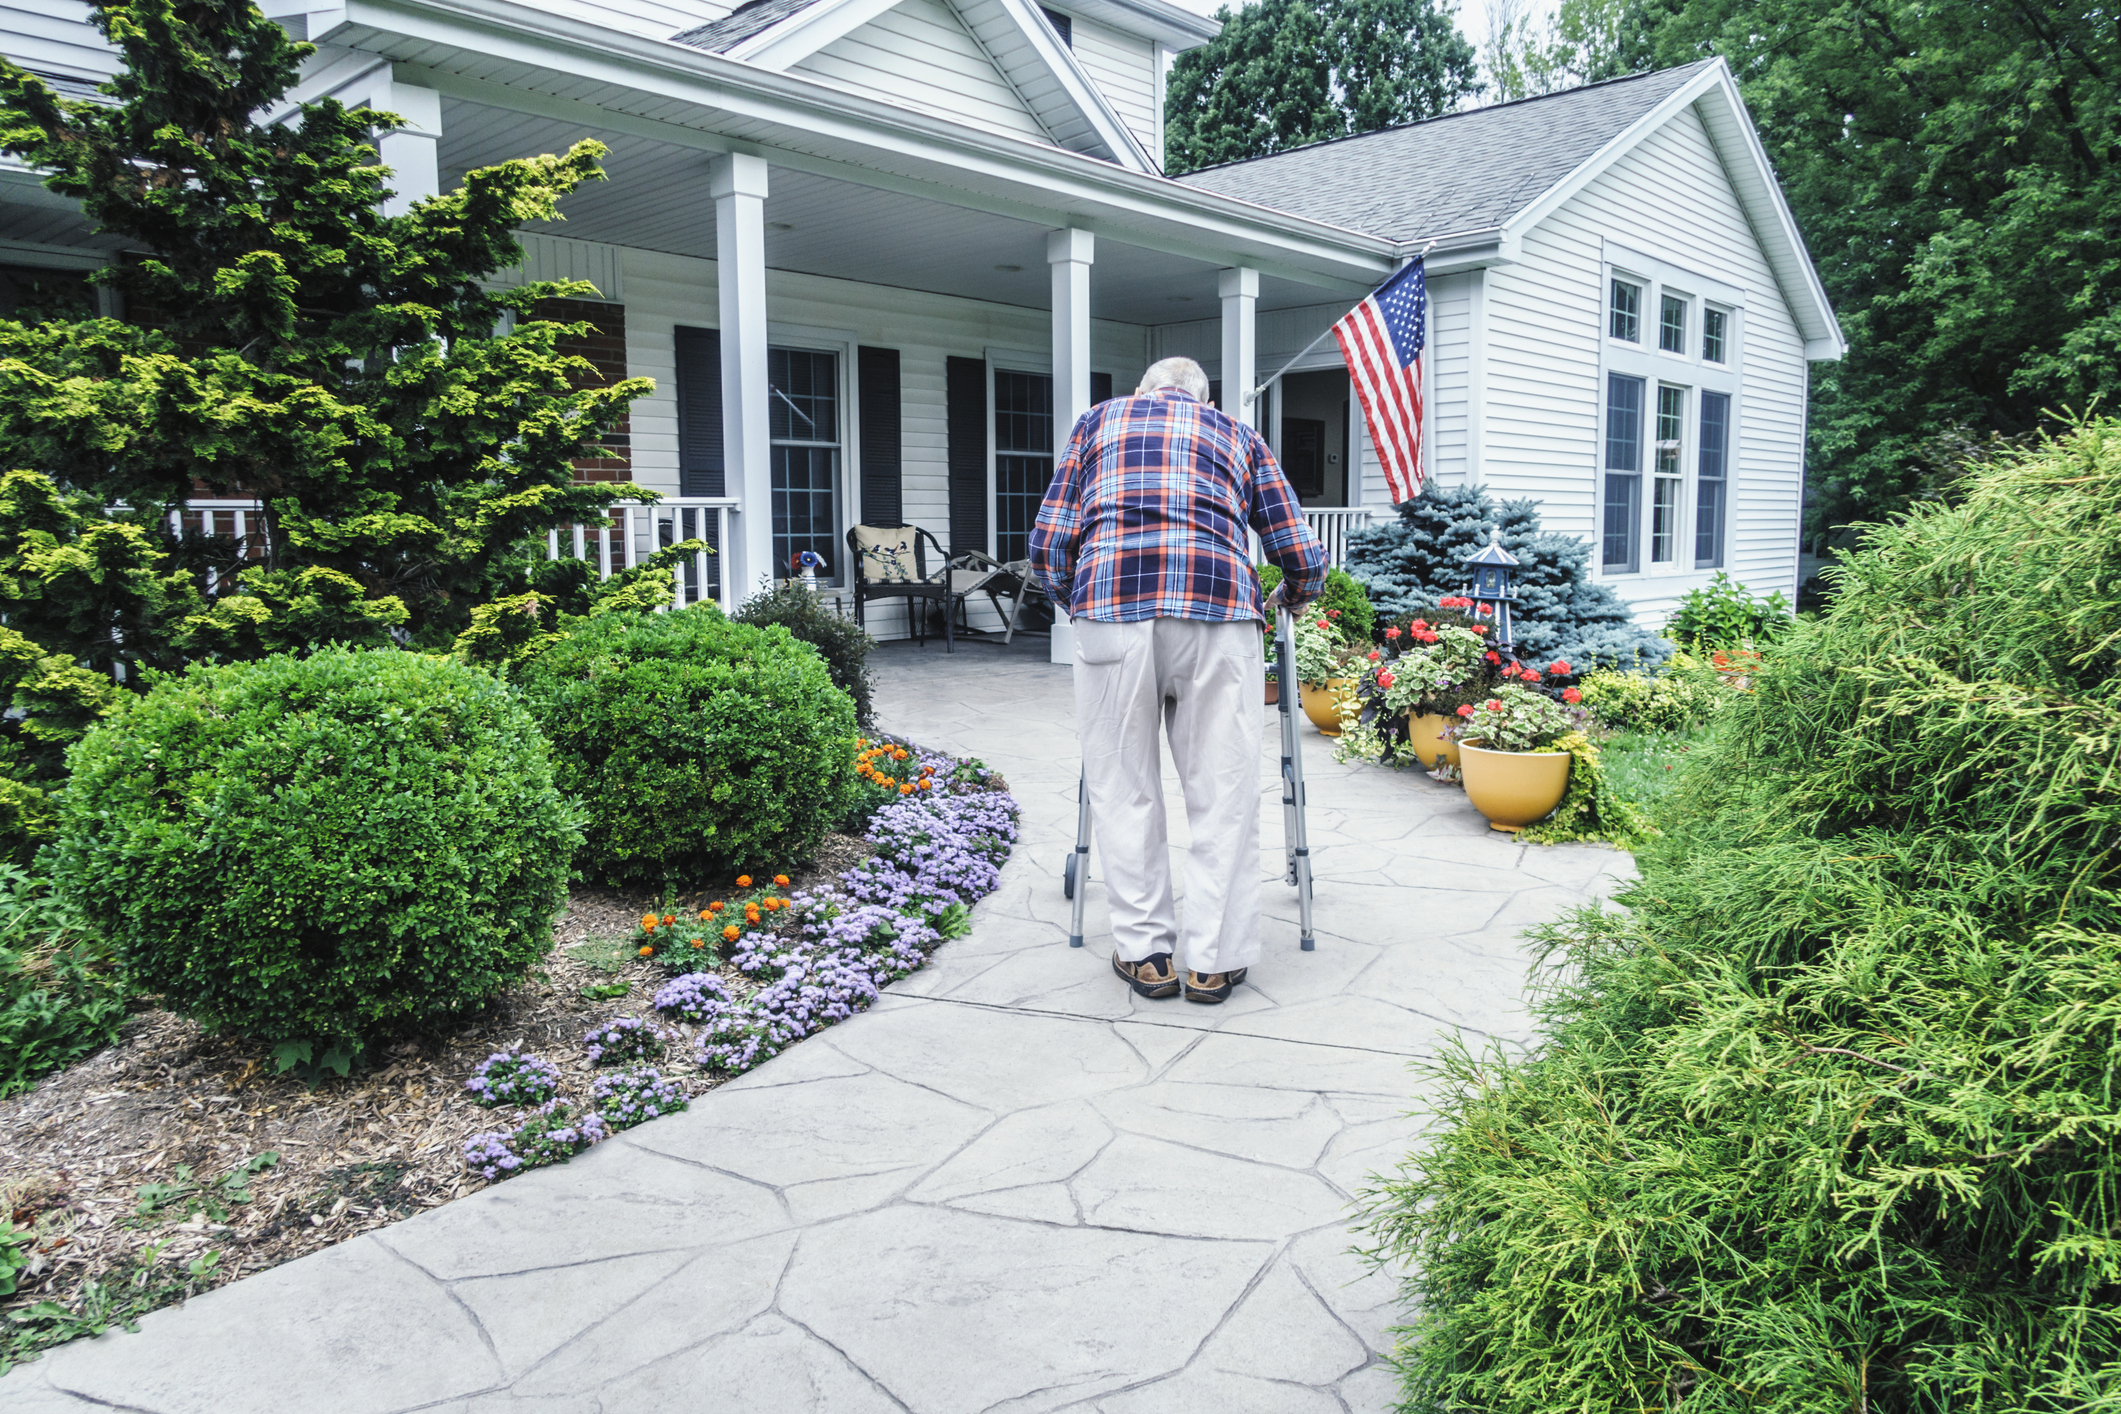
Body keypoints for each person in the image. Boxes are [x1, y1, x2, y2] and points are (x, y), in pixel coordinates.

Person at [1031, 356, 1327, 1004]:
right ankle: (1213, 963)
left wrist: (1081, 599)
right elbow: (1297, 548)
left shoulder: (1096, 423)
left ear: (1144, 391)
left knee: (1122, 785)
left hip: (1111, 613)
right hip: (1218, 616)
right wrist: (1294, 594)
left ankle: (1145, 955)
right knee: (1222, 790)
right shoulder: (1236, 435)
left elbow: (1049, 543)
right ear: (1201, 398)